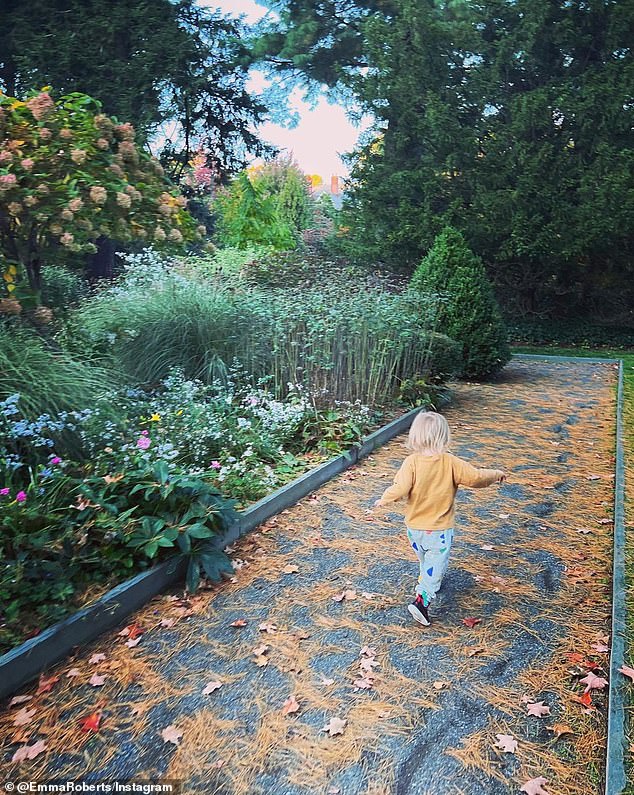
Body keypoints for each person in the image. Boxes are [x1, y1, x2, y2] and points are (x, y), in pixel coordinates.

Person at [373, 411, 506, 626]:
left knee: (426, 559)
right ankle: (422, 600)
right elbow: (476, 477)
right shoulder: (450, 462)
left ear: (415, 436)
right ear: (444, 436)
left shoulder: (411, 462)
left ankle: (430, 579)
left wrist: (385, 499)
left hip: (414, 528)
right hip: (439, 530)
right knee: (436, 559)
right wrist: (495, 474)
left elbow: (401, 487)